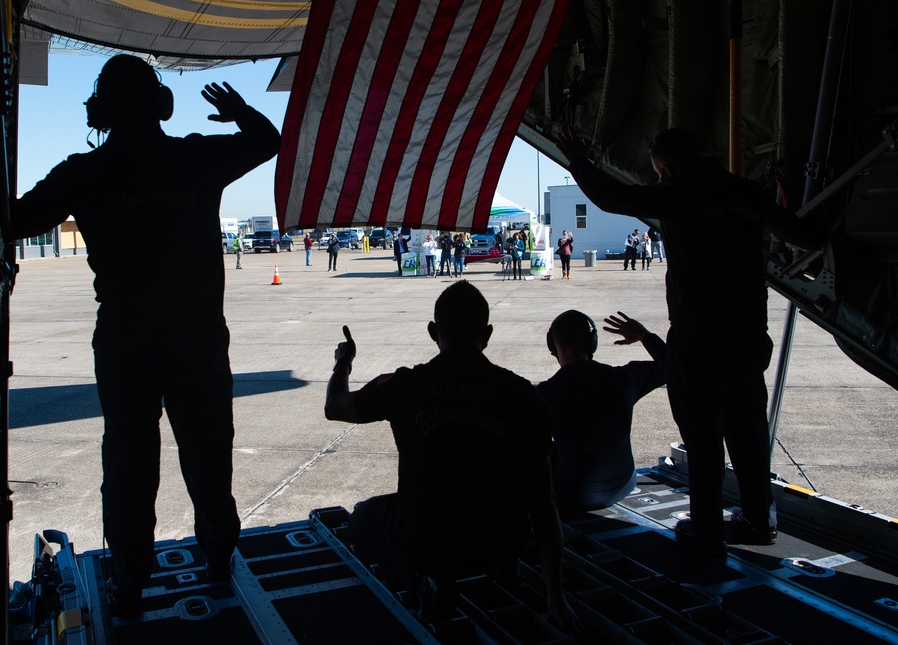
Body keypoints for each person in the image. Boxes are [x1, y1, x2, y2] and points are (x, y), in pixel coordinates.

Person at [8, 54, 281, 616]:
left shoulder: (81, 173)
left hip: (127, 343)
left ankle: (129, 580)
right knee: (209, 457)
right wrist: (236, 111)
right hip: (198, 342)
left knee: (129, 462)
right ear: (162, 105)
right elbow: (266, 140)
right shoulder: (194, 157)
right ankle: (218, 560)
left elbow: (14, 220)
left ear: (101, 111)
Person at [555, 126, 824, 555]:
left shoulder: (679, 194)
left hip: (700, 341)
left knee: (702, 440)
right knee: (748, 431)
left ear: (671, 167)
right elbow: (803, 235)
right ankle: (759, 520)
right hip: (748, 335)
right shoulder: (747, 193)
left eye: (661, 171)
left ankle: (707, 530)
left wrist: (578, 161)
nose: (660, 179)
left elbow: (611, 197)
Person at [325, 282, 574, 628]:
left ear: (433, 332)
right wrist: (556, 596)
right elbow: (544, 504)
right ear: (487, 334)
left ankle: (422, 582)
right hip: (502, 543)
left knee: (363, 517)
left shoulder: (404, 385)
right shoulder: (522, 395)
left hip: (428, 544)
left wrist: (343, 363)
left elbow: (334, 407)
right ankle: (498, 569)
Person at [537, 311, 666, 512]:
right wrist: (644, 335)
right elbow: (673, 365)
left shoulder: (545, 393)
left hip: (572, 494)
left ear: (552, 347)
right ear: (592, 343)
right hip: (624, 484)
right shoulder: (624, 379)